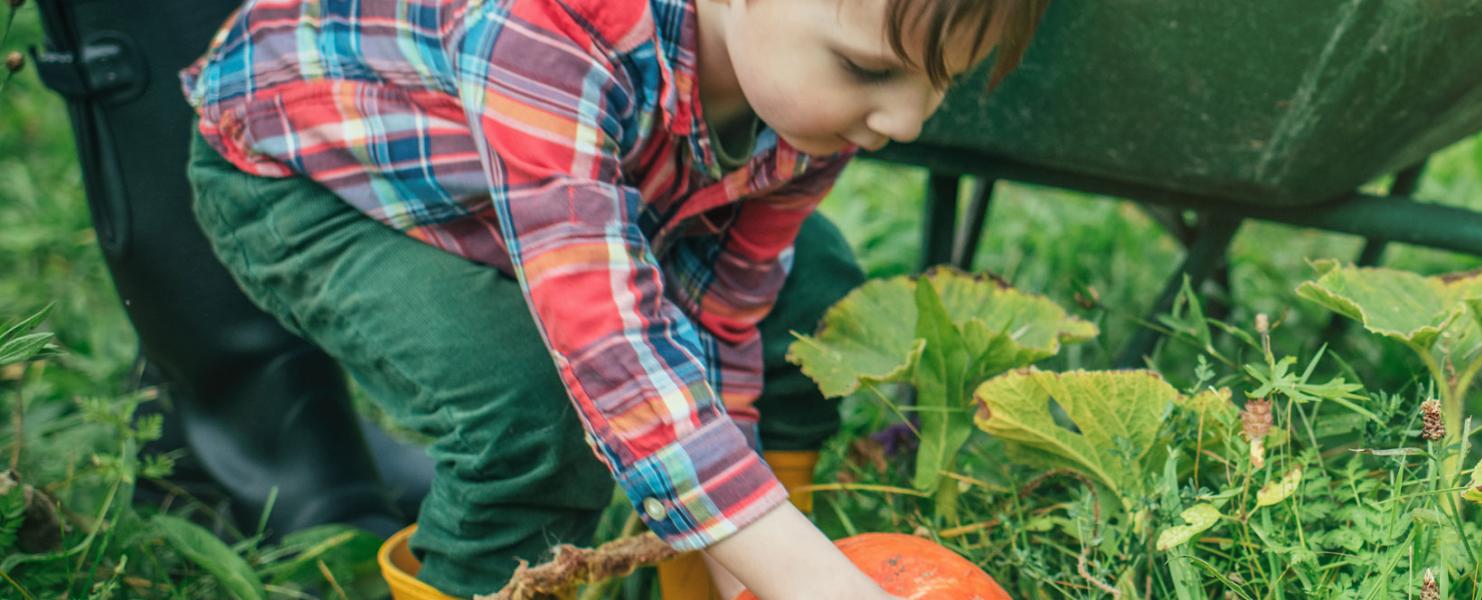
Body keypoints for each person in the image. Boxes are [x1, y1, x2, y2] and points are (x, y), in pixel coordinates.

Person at [177, 0, 1048, 597]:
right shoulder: (548, 28)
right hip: (317, 179)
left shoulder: (809, 99)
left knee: (809, 288)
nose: (907, 121)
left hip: (570, 184)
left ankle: (723, 572)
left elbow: (723, 312)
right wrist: (808, 579)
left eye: (941, 81)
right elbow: (612, 350)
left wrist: (747, 558)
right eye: (869, 70)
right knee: (528, 408)